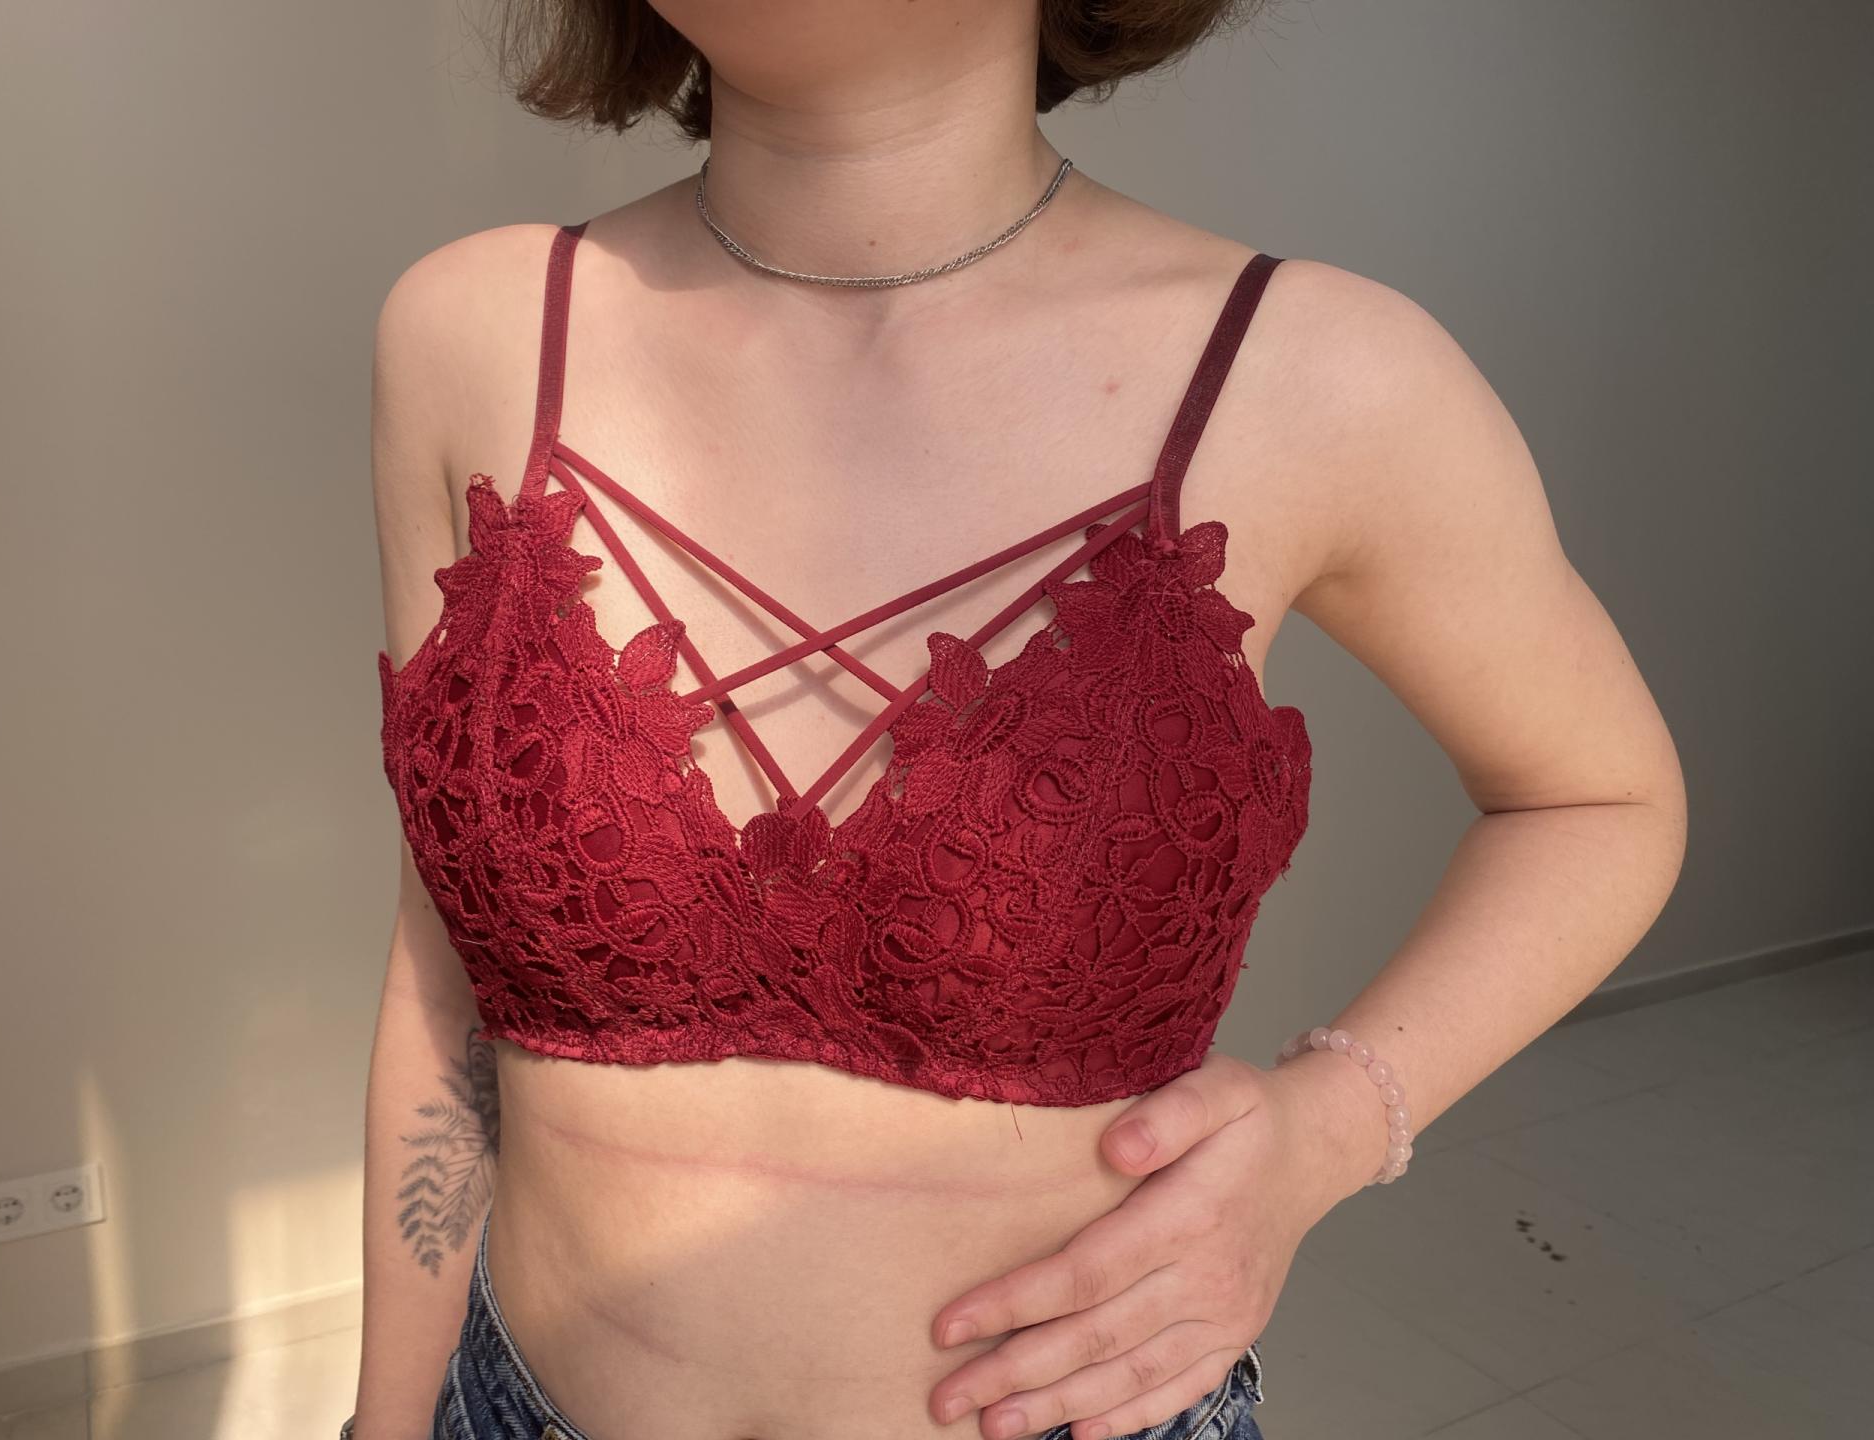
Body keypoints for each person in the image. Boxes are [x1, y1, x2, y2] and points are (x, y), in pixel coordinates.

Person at [354, 3, 1687, 1438]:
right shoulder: (474, 334)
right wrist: (382, 1419)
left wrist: (1329, 1128)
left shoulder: (1313, 373)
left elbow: (1603, 800)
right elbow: (445, 964)